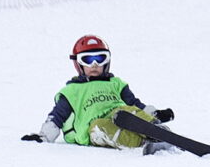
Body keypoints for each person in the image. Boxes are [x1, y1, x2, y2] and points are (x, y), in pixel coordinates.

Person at [22, 35, 175, 153]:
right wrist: (43, 136)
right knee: (99, 127)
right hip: (91, 128)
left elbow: (134, 104)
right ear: (78, 63)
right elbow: (57, 117)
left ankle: (157, 131)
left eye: (100, 58)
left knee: (124, 111)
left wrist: (155, 114)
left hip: (121, 115)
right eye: (88, 59)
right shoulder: (72, 91)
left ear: (107, 61)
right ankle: (144, 143)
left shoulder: (115, 83)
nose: (94, 65)